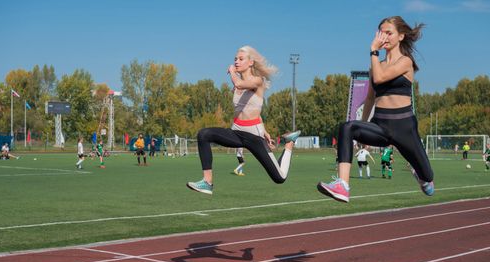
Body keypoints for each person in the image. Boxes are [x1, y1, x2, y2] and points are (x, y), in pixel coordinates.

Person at [317, 16, 434, 202]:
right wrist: (362, 128)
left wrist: (373, 51)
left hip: (404, 127)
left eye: (389, 33)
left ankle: (419, 174)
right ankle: (343, 185)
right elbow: (370, 97)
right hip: (381, 125)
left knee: (428, 180)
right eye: (381, 33)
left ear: (401, 36)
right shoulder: (375, 66)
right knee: (347, 127)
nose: (384, 37)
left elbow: (380, 79)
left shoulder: (405, 62)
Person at [186, 45, 301, 195]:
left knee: (279, 177)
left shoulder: (258, 81)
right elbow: (251, 108)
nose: (236, 62)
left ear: (251, 62)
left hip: (253, 136)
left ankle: (289, 143)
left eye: (241, 59)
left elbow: (241, 86)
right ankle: (207, 182)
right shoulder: (237, 84)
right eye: (235, 59)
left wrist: (233, 73)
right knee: (204, 134)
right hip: (236, 131)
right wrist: (265, 129)